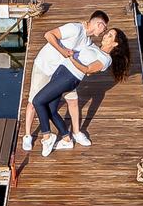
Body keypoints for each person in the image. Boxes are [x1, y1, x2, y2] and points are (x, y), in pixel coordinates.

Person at [32, 27, 131, 157]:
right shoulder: (94, 47)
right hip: (60, 72)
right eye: (107, 33)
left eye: (110, 36)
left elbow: (87, 70)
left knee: (37, 101)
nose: (105, 36)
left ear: (115, 43)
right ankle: (67, 139)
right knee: (51, 110)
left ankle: (47, 137)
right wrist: (84, 25)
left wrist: (72, 58)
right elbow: (86, 34)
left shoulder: (106, 59)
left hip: (69, 77)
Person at [21, 11, 108, 151]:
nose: (104, 31)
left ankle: (76, 133)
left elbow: (96, 54)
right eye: (105, 28)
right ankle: (27, 136)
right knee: (33, 103)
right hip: (45, 67)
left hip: (63, 74)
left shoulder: (88, 42)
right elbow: (48, 35)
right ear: (99, 24)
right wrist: (61, 50)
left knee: (73, 101)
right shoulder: (75, 29)